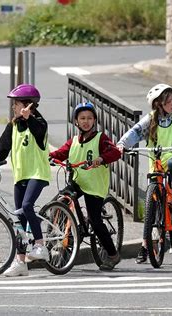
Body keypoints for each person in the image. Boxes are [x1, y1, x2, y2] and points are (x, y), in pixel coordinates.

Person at [0, 84, 51, 277]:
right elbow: (2, 147)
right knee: (19, 219)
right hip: (21, 175)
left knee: (27, 206)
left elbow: (39, 133)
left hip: (37, 174)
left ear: (28, 105)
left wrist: (29, 117)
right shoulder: (14, 125)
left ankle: (40, 246)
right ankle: (20, 263)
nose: (13, 108)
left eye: (16, 104)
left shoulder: (40, 123)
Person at [117, 83, 172, 264]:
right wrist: (122, 144)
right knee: (150, 209)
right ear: (158, 104)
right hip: (156, 165)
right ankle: (145, 246)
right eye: (169, 101)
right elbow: (135, 132)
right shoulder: (150, 119)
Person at [49, 102, 122, 271]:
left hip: (94, 186)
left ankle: (113, 255)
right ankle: (62, 235)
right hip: (78, 182)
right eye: (82, 118)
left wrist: (102, 158)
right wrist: (50, 157)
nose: (86, 121)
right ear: (76, 121)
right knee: (62, 200)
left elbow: (115, 152)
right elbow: (61, 153)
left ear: (94, 120)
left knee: (96, 222)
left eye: (89, 118)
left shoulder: (100, 138)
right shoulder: (73, 141)